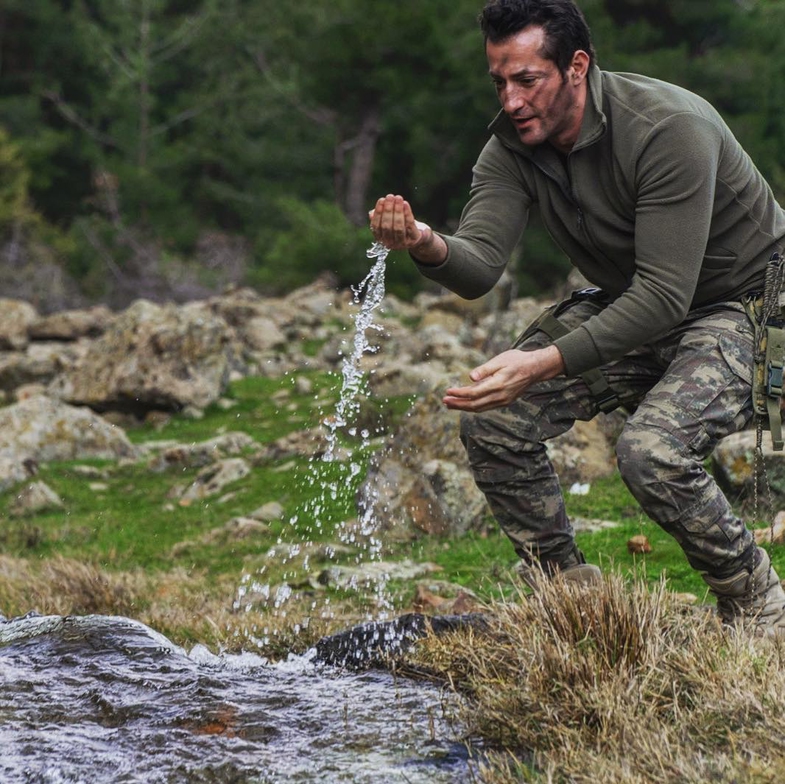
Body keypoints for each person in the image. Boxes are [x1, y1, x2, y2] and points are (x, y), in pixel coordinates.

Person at [369, 0, 785, 634]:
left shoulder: (668, 127)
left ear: (577, 67)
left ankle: (758, 604)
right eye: (499, 82)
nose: (510, 101)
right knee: (494, 419)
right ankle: (572, 594)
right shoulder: (511, 146)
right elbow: (479, 267)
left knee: (651, 453)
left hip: (750, 302)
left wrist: (541, 360)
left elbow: (666, 295)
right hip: (643, 300)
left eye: (527, 80)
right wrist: (423, 240)